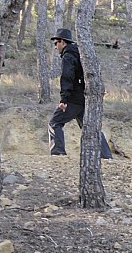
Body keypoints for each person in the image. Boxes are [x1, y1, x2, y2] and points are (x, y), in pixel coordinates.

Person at [48, 28, 112, 159]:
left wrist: (64, 99)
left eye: (56, 43)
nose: (55, 47)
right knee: (91, 128)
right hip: (85, 97)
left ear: (62, 42)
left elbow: (67, 77)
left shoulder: (68, 56)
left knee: (55, 123)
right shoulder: (82, 54)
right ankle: (106, 157)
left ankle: (58, 154)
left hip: (73, 98)